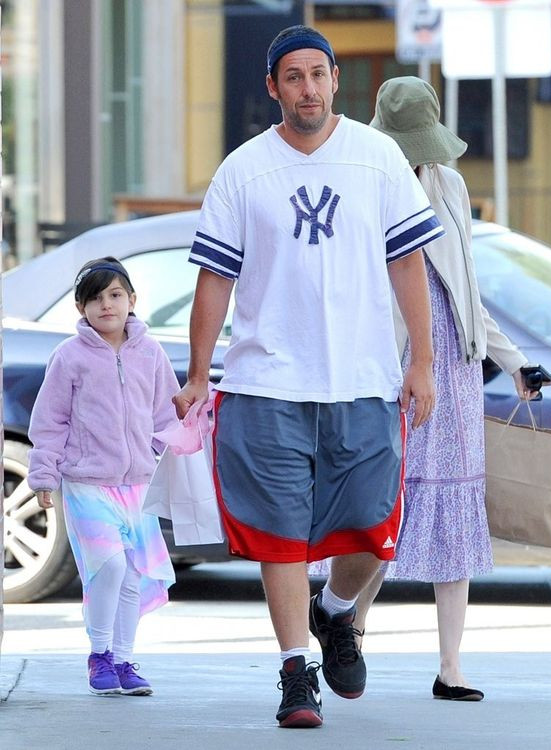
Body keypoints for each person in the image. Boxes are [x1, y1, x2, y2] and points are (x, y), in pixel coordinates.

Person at [173, 26, 445, 728]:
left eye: (318, 75)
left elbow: (408, 263)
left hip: (361, 379)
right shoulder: (243, 169)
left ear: (334, 81)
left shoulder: (377, 157)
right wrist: (201, 372)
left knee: (370, 529)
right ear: (273, 87)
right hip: (267, 382)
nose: (308, 89)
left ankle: (335, 612)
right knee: (279, 532)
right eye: (292, 77)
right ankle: (297, 670)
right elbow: (214, 278)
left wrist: (421, 361)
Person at [353, 76, 534, 701]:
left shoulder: (451, 184)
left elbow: (467, 291)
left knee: (452, 514)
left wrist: (513, 362)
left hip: (452, 369)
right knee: (379, 509)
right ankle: (348, 629)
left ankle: (450, 665)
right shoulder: (366, 186)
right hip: (387, 366)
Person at [28, 257, 178, 697]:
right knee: (108, 566)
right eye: (94, 298)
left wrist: (161, 455)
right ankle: (99, 654)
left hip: (137, 484)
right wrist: (43, 476)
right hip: (86, 480)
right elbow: (49, 420)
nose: (106, 305)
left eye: (114, 295)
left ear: (132, 300)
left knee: (132, 573)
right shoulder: (69, 357)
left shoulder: (150, 352)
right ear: (81, 308)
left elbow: (165, 413)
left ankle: (125, 660)